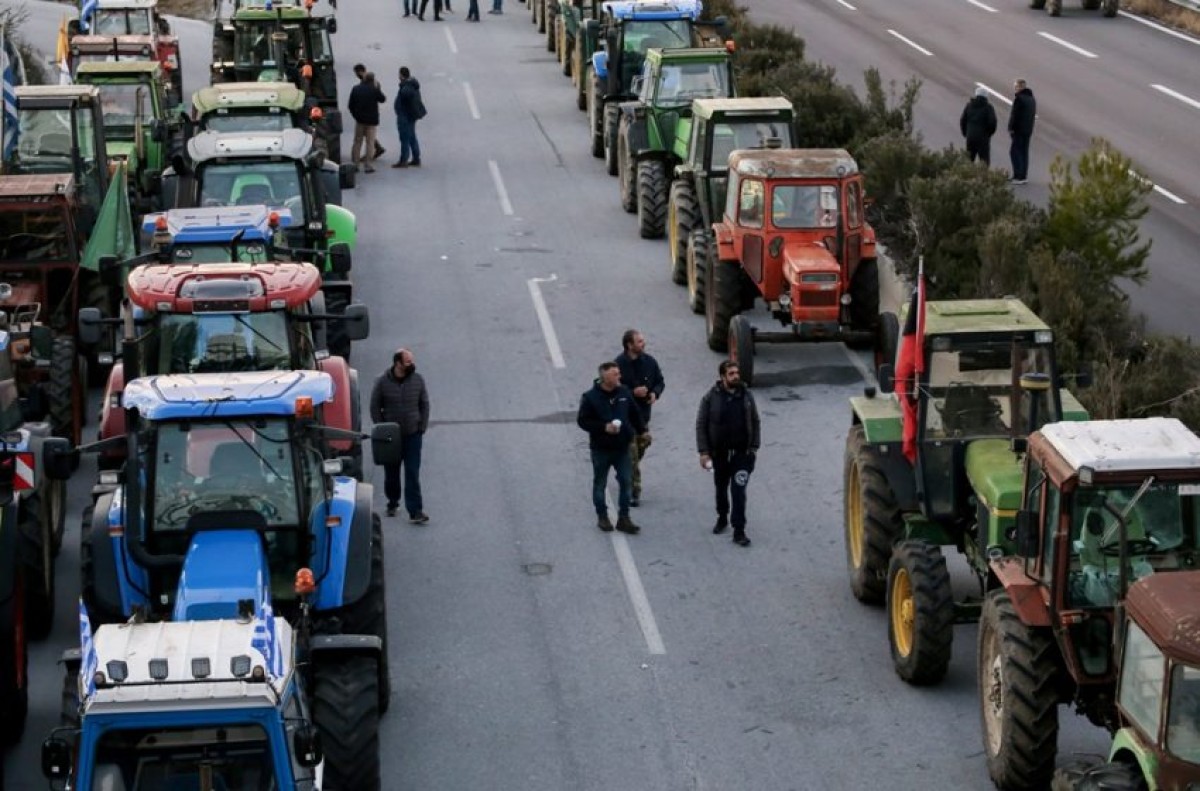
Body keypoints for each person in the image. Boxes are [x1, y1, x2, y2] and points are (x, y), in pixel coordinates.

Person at [577, 361, 647, 534]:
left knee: (626, 481)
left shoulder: (623, 392)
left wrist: (643, 430)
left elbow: (634, 413)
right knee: (600, 483)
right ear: (605, 377)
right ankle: (602, 516)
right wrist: (603, 427)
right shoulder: (590, 397)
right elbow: (583, 420)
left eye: (618, 373)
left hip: (622, 447)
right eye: (615, 374)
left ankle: (624, 517)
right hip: (601, 449)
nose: (619, 377)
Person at [695, 360, 760, 547]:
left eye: (736, 372)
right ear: (723, 377)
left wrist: (754, 447)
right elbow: (701, 425)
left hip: (741, 453)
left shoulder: (746, 396)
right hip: (720, 453)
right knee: (721, 487)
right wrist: (704, 452)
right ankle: (722, 516)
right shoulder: (710, 398)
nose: (736, 376)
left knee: (739, 491)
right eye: (731, 373)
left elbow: (755, 421)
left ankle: (739, 529)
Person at [370, 348, 431, 523]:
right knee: (392, 473)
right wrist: (382, 427)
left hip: (413, 435)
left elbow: (425, 404)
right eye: (408, 362)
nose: (412, 365)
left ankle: (415, 510)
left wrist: (422, 426)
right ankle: (392, 502)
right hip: (391, 437)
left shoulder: (418, 380)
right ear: (397, 363)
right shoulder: (382, 382)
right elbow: (375, 406)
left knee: (412, 472)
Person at [615, 329, 664, 507]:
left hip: (642, 418)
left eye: (643, 341)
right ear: (629, 345)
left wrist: (654, 394)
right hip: (625, 419)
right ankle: (633, 491)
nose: (643, 344)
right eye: (639, 341)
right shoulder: (618, 365)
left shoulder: (650, 362)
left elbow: (660, 381)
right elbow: (614, 389)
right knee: (632, 455)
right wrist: (632, 392)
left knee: (641, 446)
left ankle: (623, 469)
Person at [348, 70, 386, 173]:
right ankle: (368, 165)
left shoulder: (356, 89)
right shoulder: (374, 90)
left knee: (357, 142)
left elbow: (350, 105)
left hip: (360, 120)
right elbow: (383, 99)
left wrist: (356, 116)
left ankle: (355, 164)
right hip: (371, 122)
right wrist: (377, 88)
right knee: (370, 143)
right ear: (373, 80)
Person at [392, 67, 423, 168]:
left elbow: (404, 99)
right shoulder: (413, 85)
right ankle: (416, 158)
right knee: (412, 136)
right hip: (410, 115)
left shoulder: (406, 88)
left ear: (401, 75)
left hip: (405, 116)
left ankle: (403, 160)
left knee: (404, 138)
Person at [1007, 79, 1036, 184]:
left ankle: (1018, 176)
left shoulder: (1019, 99)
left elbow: (1015, 115)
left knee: (1014, 152)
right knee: (1024, 152)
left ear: (1020, 87)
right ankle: (1023, 176)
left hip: (1018, 130)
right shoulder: (1031, 99)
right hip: (1028, 130)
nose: (1015, 89)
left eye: (1016, 87)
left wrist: (1011, 128)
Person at [960, 86, 998, 166]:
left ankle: (967, 175)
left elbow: (963, 120)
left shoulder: (969, 105)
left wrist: (965, 133)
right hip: (983, 138)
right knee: (984, 160)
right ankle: (983, 176)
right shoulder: (988, 108)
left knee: (969, 158)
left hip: (970, 136)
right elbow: (992, 123)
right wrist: (988, 133)